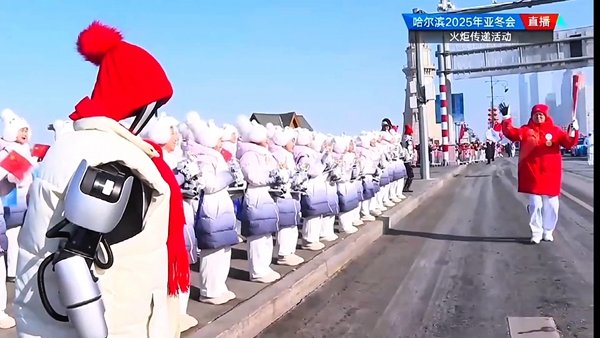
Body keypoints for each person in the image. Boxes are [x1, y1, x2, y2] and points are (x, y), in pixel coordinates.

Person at [14, 21, 188, 337]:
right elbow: (73, 262)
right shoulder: (111, 156)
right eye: (156, 106)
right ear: (140, 101)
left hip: (60, 320)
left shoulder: (76, 144)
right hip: (110, 322)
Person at [499, 102, 579, 244]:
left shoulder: (555, 131)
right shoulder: (526, 130)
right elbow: (510, 133)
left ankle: (548, 230)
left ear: (546, 116)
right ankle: (536, 232)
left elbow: (569, 144)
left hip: (551, 173)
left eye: (541, 114)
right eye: (536, 115)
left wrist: (574, 132)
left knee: (552, 205)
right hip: (532, 173)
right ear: (532, 116)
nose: (539, 117)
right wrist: (506, 117)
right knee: (536, 204)